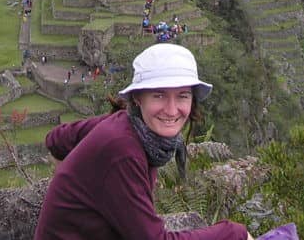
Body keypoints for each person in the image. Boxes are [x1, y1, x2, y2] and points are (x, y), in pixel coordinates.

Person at [33, 44, 254, 240]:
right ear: (138, 98)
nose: (171, 110)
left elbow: (57, 139)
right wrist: (234, 233)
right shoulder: (122, 149)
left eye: (182, 96)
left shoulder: (123, 121)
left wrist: (79, 191)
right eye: (158, 95)